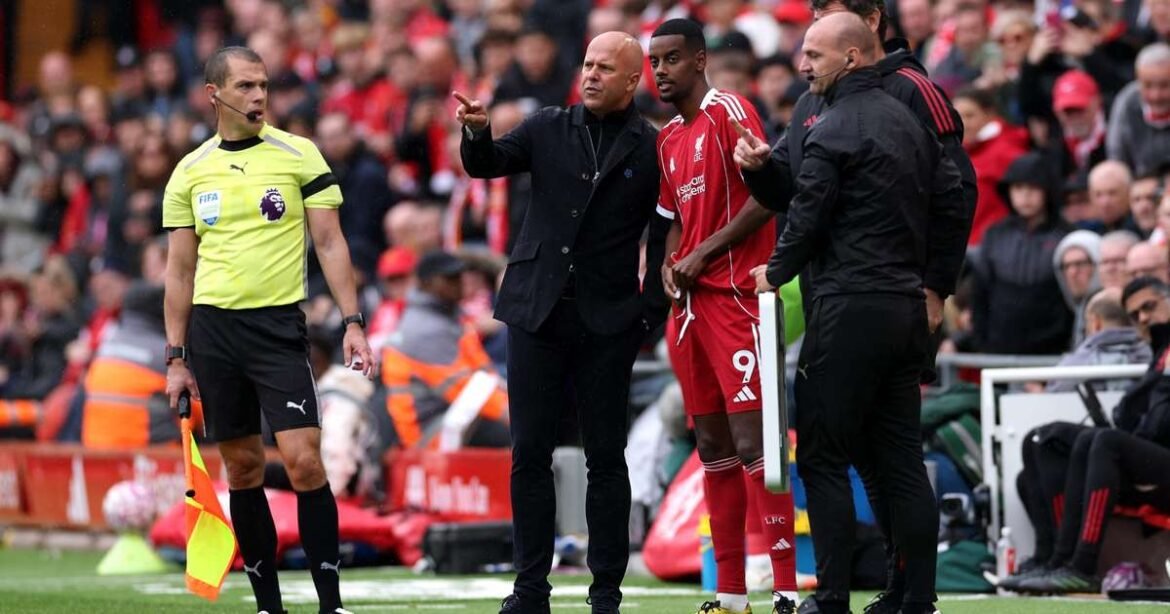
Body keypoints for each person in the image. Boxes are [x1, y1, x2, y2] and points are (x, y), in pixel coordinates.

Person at [727, 1, 975, 611]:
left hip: (846, 304)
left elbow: (807, 215)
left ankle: (831, 596)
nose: (801, 64)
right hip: (899, 309)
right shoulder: (904, 119)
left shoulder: (837, 123)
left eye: (813, 54)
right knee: (899, 457)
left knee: (821, 452)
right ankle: (915, 598)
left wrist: (776, 270)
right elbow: (948, 195)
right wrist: (931, 285)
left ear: (853, 54)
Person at [454, 31, 668, 614]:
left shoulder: (652, 146)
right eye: (588, 64)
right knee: (529, 452)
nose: (592, 74)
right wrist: (476, 130)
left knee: (606, 456)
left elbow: (666, 233)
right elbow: (488, 166)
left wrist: (648, 311)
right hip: (536, 311)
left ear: (633, 81)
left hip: (609, 319)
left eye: (606, 68)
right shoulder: (547, 125)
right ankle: (530, 590)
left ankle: (605, 594)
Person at [162, 46, 375, 614]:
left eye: (264, 86)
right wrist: (176, 357)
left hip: (279, 326)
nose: (259, 96)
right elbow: (180, 270)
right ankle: (268, 606)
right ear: (215, 94)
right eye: (246, 86)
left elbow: (330, 243)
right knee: (243, 468)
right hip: (212, 332)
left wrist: (353, 322)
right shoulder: (189, 170)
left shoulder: (298, 154)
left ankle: (332, 604)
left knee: (305, 460)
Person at [647, 18, 796, 614]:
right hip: (688, 310)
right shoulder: (667, 139)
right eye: (655, 61)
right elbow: (673, 221)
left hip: (737, 298)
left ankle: (784, 586)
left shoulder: (729, 110)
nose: (661, 70)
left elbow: (768, 194)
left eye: (672, 59)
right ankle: (730, 593)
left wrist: (704, 253)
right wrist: (668, 264)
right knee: (711, 444)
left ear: (701, 60)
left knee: (755, 438)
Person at [1002, 277, 1170, 594]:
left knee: (1105, 441)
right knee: (1043, 439)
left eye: (1149, 307)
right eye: (1135, 315)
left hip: (1160, 458)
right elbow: (1135, 416)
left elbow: (1160, 422)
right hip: (1151, 453)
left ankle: (1082, 566)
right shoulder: (1159, 352)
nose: (1144, 319)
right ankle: (1053, 560)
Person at [380, 250, 510, 449]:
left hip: (451, 414)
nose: (459, 282)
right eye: (450, 278)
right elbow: (466, 390)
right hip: (426, 435)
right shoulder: (424, 329)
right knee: (519, 437)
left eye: (459, 275)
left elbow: (485, 373)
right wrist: (518, 419)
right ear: (427, 283)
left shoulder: (448, 317)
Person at [1042, 287, 1151, 393]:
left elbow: (1054, 397)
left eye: (1087, 322)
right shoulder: (1156, 357)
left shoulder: (1070, 369)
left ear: (1096, 322)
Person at [1052, 230, 1101, 347]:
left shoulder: (1107, 307)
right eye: (1066, 266)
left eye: (1080, 263)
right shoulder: (1079, 310)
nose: (1072, 272)